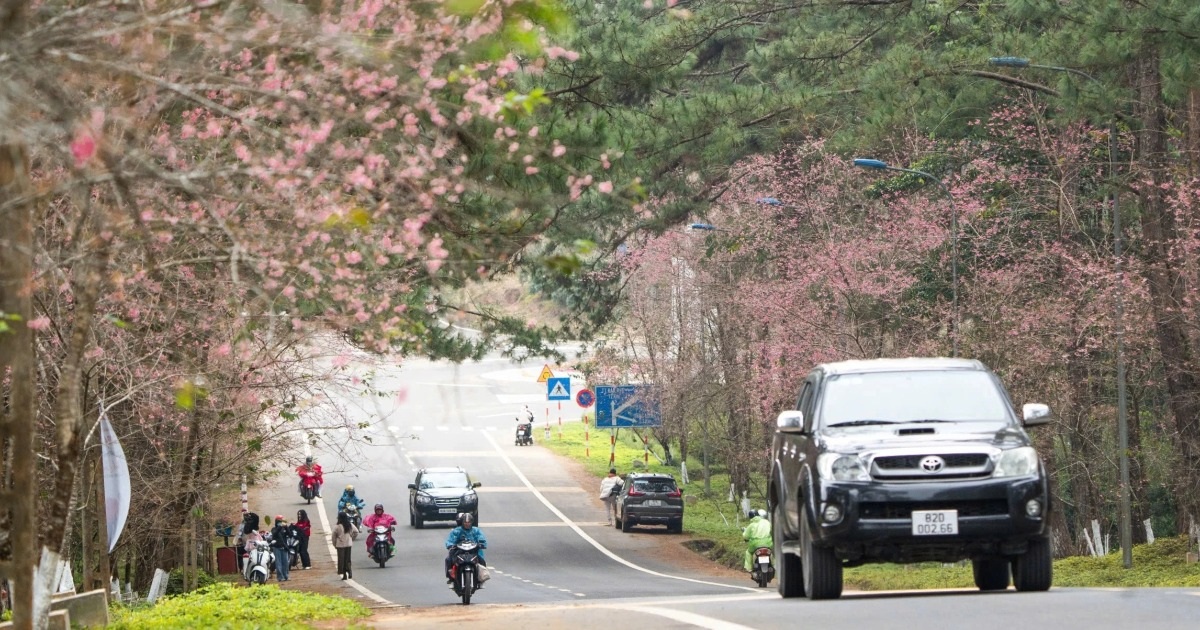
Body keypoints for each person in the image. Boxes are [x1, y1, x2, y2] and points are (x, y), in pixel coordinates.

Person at [444, 512, 487, 586]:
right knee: (448, 559)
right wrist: (450, 545)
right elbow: (450, 540)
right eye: (465, 522)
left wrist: (481, 544)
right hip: (459, 551)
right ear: (462, 522)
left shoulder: (476, 530)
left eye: (469, 522)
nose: (467, 524)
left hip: (474, 551)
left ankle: (480, 578)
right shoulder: (457, 531)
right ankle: (451, 578)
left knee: (482, 561)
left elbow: (482, 538)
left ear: (471, 522)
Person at [332, 511, 359, 580]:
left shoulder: (337, 527)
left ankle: (344, 575)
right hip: (348, 544)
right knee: (348, 559)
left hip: (340, 545)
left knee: (341, 560)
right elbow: (356, 532)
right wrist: (351, 538)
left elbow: (333, 537)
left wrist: (335, 544)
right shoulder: (350, 525)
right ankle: (349, 571)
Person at [270, 515, 294, 582]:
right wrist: (280, 527)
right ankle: (280, 577)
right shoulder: (274, 529)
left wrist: (286, 528)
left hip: (284, 547)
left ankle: (286, 576)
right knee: (279, 563)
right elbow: (275, 534)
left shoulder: (284, 529)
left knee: (286, 562)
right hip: (277, 547)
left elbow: (290, 535)